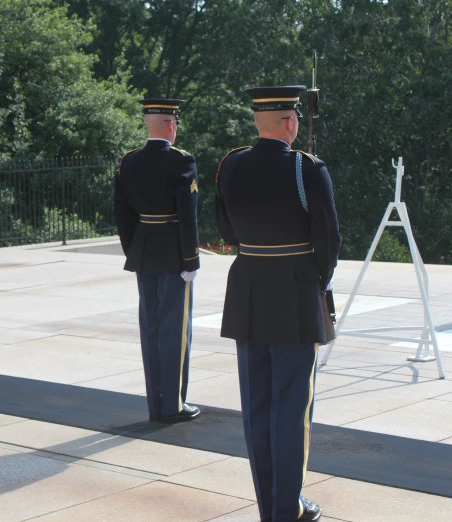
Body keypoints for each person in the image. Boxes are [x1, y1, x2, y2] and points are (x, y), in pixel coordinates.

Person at [215, 86, 341, 522]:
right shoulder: (307, 169)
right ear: (290, 122)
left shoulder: (230, 164)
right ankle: (288, 508)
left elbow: (226, 230)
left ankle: (270, 506)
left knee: (257, 405)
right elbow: (328, 240)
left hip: (247, 287)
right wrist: (316, 282)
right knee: (291, 405)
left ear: (256, 121)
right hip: (293, 290)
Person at [114, 98, 201, 423]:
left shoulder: (130, 161)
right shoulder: (181, 161)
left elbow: (122, 214)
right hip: (174, 252)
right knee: (174, 329)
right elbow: (187, 212)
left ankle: (155, 404)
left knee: (150, 327)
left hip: (144, 250)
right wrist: (191, 258)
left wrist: (133, 250)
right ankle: (173, 405)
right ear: (170, 125)